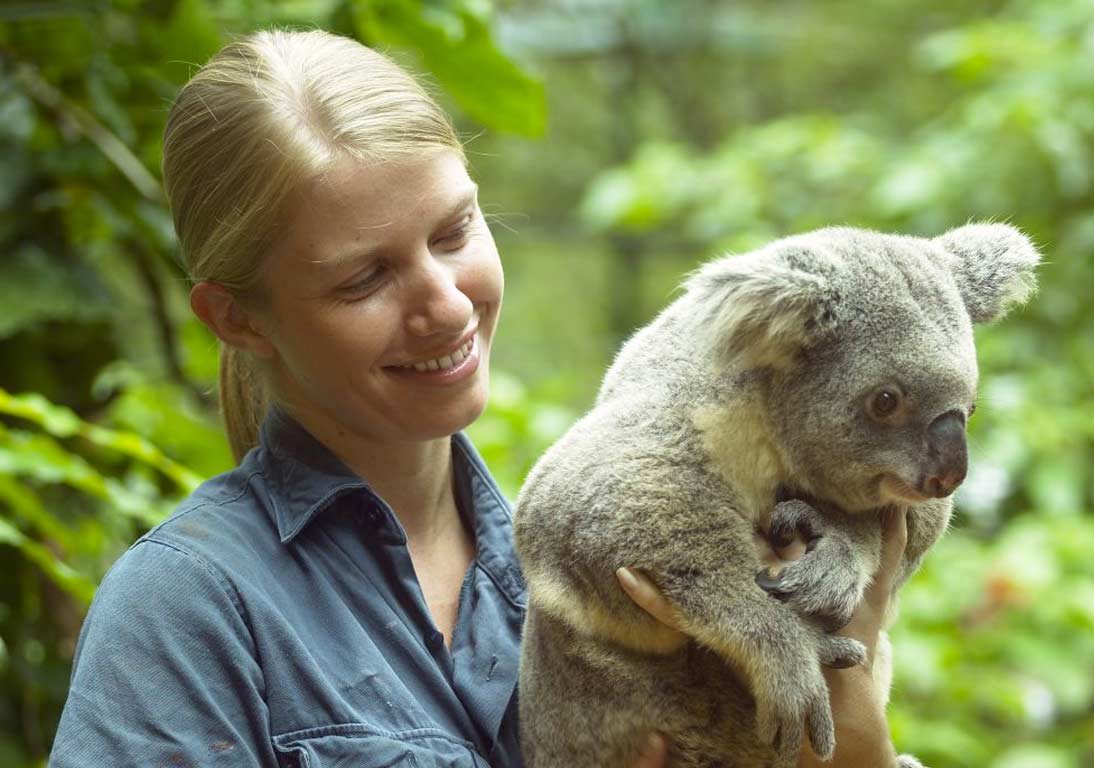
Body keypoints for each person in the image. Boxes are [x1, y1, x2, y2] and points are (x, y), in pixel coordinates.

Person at [48, 29, 905, 767]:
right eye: (365, 277)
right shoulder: (187, 611)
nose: (447, 304)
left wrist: (858, 747)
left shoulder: (616, 552)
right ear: (237, 318)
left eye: (454, 231)